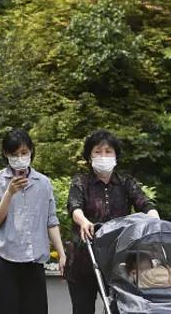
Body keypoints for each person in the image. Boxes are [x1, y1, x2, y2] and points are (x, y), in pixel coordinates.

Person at [65, 129, 160, 314]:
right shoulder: (81, 181)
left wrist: (154, 218)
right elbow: (74, 206)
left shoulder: (125, 182)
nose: (103, 156)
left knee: (118, 309)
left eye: (108, 151)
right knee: (82, 309)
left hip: (116, 262)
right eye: (98, 152)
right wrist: (83, 221)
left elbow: (144, 202)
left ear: (116, 155)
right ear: (89, 156)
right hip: (84, 261)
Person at [0, 128, 66, 314]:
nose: (20, 158)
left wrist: (62, 254)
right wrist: (9, 193)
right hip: (4, 256)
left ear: (30, 151)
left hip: (33, 257)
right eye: (14, 154)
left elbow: (51, 221)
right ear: (6, 154)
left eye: (24, 153)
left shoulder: (43, 182)